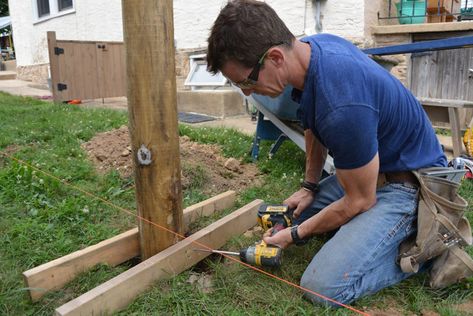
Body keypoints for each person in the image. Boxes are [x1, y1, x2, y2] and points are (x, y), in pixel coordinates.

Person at [206, 0, 447, 307]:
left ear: (276, 57)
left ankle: (423, 252)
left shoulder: (342, 106)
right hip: (374, 170)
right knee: (295, 214)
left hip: (410, 185)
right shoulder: (311, 50)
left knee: (321, 286)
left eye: (247, 81)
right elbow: (312, 120)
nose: (248, 93)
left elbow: (360, 199)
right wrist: (309, 186)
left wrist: (295, 236)